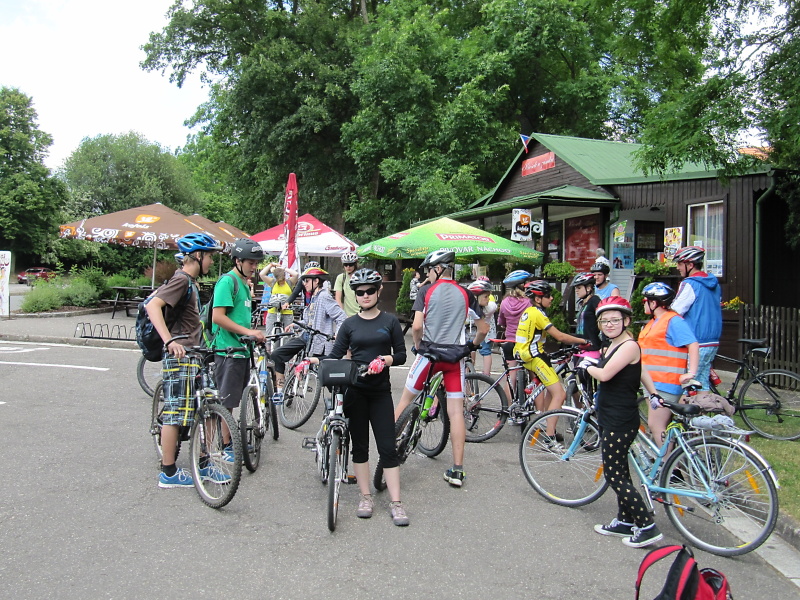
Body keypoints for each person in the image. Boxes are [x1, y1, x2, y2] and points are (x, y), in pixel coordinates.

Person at [309, 269, 409, 525]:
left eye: (370, 291)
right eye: (360, 292)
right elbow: (335, 354)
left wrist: (385, 360)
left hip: (380, 392)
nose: (365, 295)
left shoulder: (390, 322)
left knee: (388, 447)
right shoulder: (349, 324)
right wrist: (313, 361)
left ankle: (396, 502)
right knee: (360, 447)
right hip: (355, 392)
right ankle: (366, 497)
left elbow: (401, 354)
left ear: (378, 291)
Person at [395, 250, 488, 488]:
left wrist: (418, 346)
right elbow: (483, 329)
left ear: (438, 269)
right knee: (455, 413)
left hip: (429, 355)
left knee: (405, 400)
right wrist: (471, 346)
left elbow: (417, 327)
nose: (427, 274)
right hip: (454, 358)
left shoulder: (426, 291)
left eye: (429, 269)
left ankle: (387, 453)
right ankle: (457, 470)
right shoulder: (466, 293)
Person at [581, 297, 665, 548]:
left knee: (614, 475)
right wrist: (653, 393)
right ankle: (625, 520)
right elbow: (642, 370)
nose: (609, 324)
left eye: (615, 320)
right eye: (604, 321)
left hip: (620, 418)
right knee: (621, 470)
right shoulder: (612, 346)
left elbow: (605, 375)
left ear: (626, 321)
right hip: (609, 413)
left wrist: (586, 366)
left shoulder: (629, 346)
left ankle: (647, 526)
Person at [145, 233, 222, 488]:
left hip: (195, 354)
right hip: (180, 355)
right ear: (197, 256)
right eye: (209, 256)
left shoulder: (190, 282)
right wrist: (169, 341)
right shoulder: (181, 280)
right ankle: (168, 473)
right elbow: (152, 306)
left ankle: (204, 462)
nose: (211, 261)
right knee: (176, 414)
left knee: (209, 405)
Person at [513, 280, 590, 443]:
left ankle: (548, 426)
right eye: (548, 296)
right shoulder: (538, 314)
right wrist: (583, 341)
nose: (552, 298)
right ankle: (550, 437)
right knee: (560, 394)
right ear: (538, 299)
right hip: (534, 357)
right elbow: (560, 336)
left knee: (551, 390)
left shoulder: (529, 311)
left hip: (526, 354)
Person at [211, 238, 267, 457]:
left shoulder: (243, 284)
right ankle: (226, 446)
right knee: (227, 401)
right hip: (228, 351)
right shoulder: (228, 282)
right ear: (238, 261)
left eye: (256, 263)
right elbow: (218, 317)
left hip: (241, 350)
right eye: (251, 263)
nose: (254, 267)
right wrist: (248, 332)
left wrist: (252, 334)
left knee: (234, 399)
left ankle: (229, 442)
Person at [270, 266, 347, 404]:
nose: (304, 283)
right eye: (303, 281)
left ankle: (341, 401)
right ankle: (280, 391)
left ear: (316, 281)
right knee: (277, 354)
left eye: (306, 280)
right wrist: (295, 324)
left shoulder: (324, 297)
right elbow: (308, 320)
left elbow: (341, 317)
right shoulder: (314, 297)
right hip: (306, 337)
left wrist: (338, 334)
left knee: (326, 375)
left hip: (319, 341)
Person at [638, 282, 700, 447]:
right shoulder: (654, 322)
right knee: (658, 426)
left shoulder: (673, 321)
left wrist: (691, 373)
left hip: (665, 383)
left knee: (656, 425)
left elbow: (693, 344)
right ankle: (667, 459)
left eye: (645, 301)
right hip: (653, 382)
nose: (643, 304)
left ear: (654, 303)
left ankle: (668, 462)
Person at [671, 246, 722, 391]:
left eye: (680, 264)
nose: (677, 268)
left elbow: (675, 311)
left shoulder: (690, 284)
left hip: (695, 340)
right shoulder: (714, 284)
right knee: (702, 384)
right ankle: (704, 405)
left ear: (690, 265)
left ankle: (693, 406)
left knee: (689, 386)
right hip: (712, 340)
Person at [497, 270, 532, 394]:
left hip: (510, 342)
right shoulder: (529, 302)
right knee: (534, 375)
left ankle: (508, 404)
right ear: (522, 285)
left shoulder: (504, 302)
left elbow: (501, 322)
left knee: (511, 376)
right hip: (526, 343)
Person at [466, 279, 497, 376]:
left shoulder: (487, 308)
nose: (488, 299)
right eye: (486, 297)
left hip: (472, 336)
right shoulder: (467, 310)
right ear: (475, 297)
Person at [261, 263, 298, 333]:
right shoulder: (273, 282)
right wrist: (271, 265)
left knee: (287, 334)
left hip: (287, 312)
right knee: (270, 334)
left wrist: (284, 268)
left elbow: (296, 274)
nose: (281, 281)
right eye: (279, 280)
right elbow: (262, 274)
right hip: (273, 311)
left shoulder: (289, 282)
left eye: (282, 279)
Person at [572, 272, 602, 359]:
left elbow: (603, 320)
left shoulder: (595, 300)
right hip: (579, 347)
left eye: (579, 288)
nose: (576, 290)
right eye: (575, 288)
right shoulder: (583, 303)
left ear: (588, 288)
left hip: (591, 347)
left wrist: (605, 343)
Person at [334, 251, 361, 317]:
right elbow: (338, 298)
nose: (348, 267)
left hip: (362, 313)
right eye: (345, 265)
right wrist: (342, 314)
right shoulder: (341, 278)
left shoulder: (361, 276)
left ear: (355, 264)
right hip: (347, 315)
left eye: (350, 264)